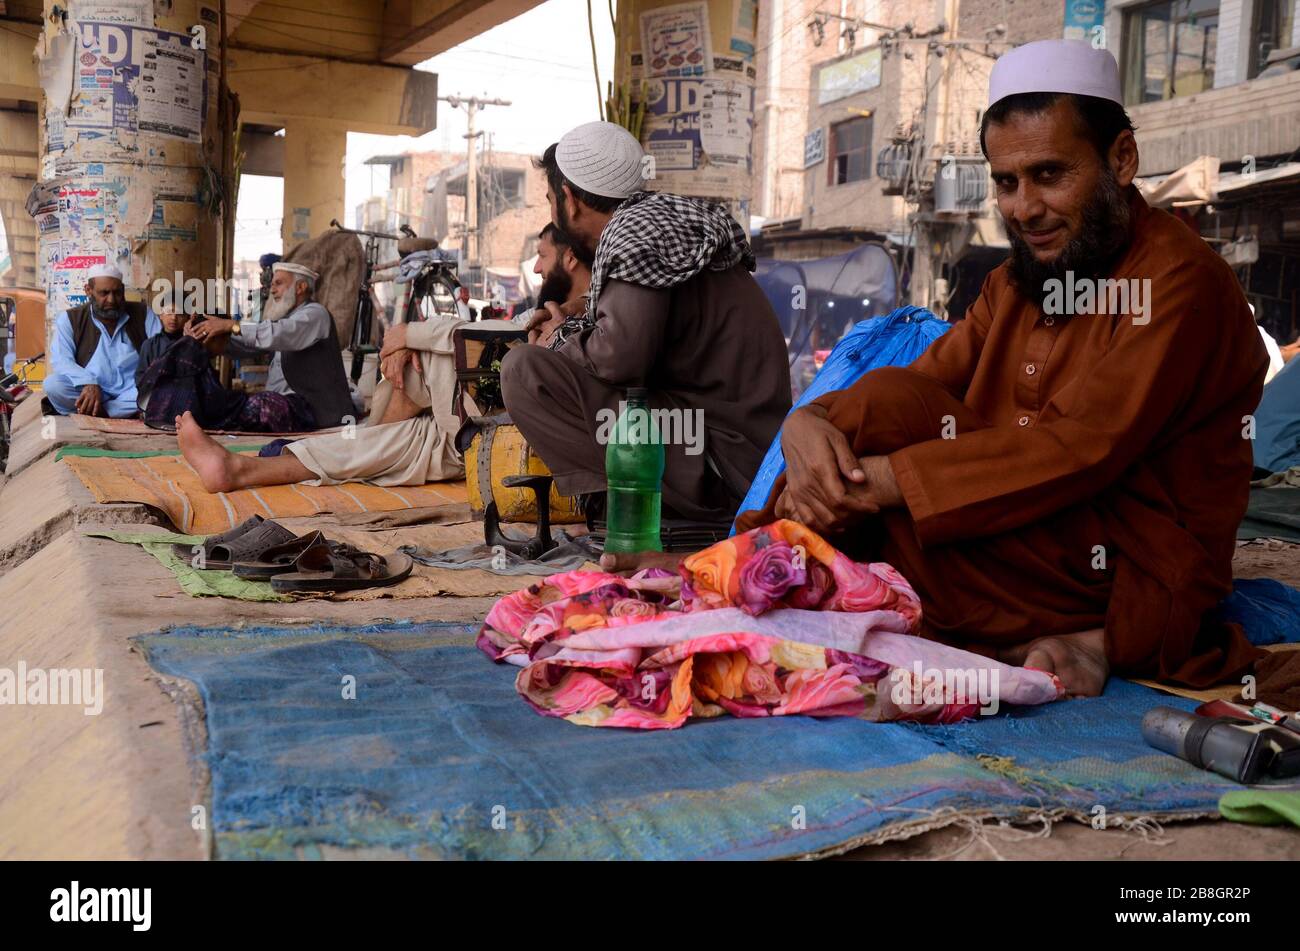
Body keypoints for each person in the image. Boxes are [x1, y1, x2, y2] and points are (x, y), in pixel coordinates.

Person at [727, 40, 1270, 696]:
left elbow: (1077, 449)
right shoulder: (1016, 281)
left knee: (878, 511)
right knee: (881, 405)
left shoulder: (1178, 282)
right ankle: (767, 569)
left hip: (1124, 565)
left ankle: (759, 575)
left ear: (1121, 159)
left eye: (1049, 175)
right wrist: (807, 423)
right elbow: (920, 387)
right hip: (1008, 533)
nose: (1024, 208)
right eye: (1007, 182)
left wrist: (877, 483)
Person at [501, 121, 791, 524]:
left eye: (551, 199)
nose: (554, 208)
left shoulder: (634, 237)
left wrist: (558, 339)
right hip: (742, 447)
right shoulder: (659, 225)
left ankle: (638, 511)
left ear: (568, 200)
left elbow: (620, 359)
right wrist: (580, 314)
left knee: (524, 371)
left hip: (723, 462)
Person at [176, 230, 595, 492]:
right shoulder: (554, 309)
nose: (536, 267)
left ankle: (249, 467)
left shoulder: (580, 316)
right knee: (385, 435)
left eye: (542, 255)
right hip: (457, 422)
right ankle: (236, 470)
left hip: (484, 425)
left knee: (431, 353)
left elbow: (485, 339)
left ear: (571, 259)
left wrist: (406, 336)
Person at [139, 261, 354, 432]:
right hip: (288, 405)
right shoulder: (286, 320)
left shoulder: (315, 314)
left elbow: (276, 333)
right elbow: (249, 346)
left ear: (301, 287)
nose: (273, 289)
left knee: (261, 407)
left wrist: (231, 326)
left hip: (317, 411)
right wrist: (208, 334)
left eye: (279, 283)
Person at [44, 263, 161, 417]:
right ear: (88, 290)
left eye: (117, 293)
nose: (111, 300)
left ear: (123, 290)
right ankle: (119, 412)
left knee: (161, 387)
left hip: (133, 391)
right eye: (104, 293)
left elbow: (161, 353)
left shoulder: (143, 313)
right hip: (91, 389)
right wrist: (89, 382)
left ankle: (102, 411)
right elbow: (61, 360)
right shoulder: (70, 319)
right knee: (53, 385)